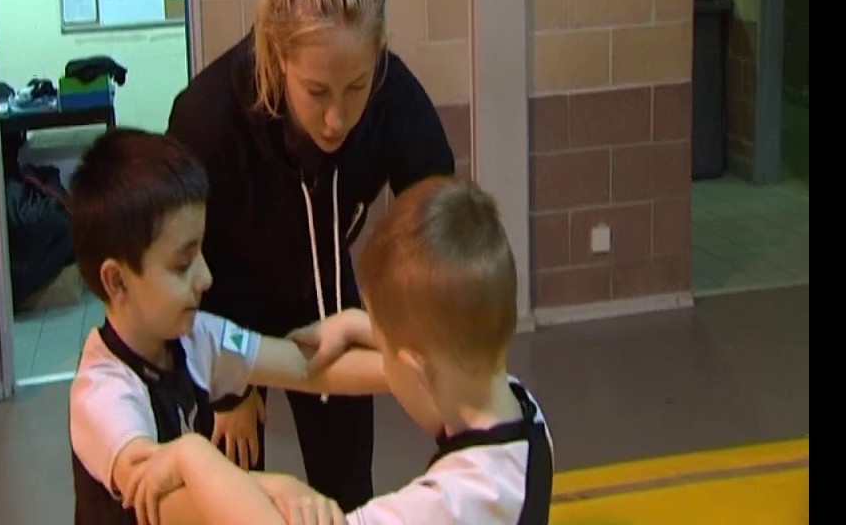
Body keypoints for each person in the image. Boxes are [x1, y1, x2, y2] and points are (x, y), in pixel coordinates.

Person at [165, 0, 455, 510]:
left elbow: (441, 225)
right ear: (277, 53)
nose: (336, 117)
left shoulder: (393, 96)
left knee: (347, 487)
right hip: (226, 310)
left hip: (326, 298)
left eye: (355, 87)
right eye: (316, 89)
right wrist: (228, 389)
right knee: (233, 493)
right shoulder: (207, 118)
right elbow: (178, 265)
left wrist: (421, 333)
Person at [124, 175, 555, 525]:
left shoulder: (449, 505)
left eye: (384, 351)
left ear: (417, 369)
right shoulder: (521, 413)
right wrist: (360, 325)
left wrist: (193, 455)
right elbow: (448, 347)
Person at [66, 127, 438, 525]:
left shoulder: (195, 337)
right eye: (182, 264)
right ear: (117, 281)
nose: (206, 277)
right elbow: (164, 499)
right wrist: (279, 490)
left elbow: (307, 366)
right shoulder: (103, 396)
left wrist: (419, 367)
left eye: (202, 254)